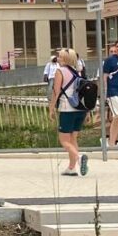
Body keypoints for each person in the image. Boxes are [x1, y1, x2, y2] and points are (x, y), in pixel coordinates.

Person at [50, 46, 89, 176]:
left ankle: (79, 156)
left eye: (60, 56)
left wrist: (51, 108)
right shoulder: (78, 72)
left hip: (67, 109)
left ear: (65, 59)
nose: (58, 58)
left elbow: (56, 92)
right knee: (73, 139)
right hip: (80, 109)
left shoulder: (60, 71)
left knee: (64, 140)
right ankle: (72, 167)